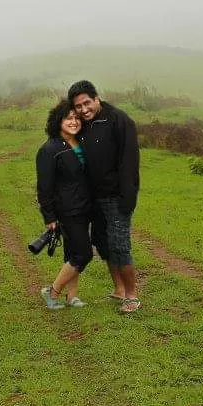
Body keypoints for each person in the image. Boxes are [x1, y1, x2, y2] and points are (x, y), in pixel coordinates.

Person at [68, 80, 142, 313]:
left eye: (87, 103)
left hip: (116, 196)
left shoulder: (119, 120)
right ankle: (118, 289)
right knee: (102, 243)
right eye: (78, 106)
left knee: (120, 244)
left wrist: (128, 195)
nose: (83, 109)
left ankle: (132, 296)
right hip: (92, 197)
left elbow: (129, 160)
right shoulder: (82, 124)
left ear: (96, 98)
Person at [35, 101, 93, 309]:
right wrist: (49, 216)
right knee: (83, 254)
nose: (74, 122)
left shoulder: (81, 143)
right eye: (68, 118)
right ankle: (52, 291)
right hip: (67, 209)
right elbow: (44, 187)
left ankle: (72, 296)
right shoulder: (49, 150)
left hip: (85, 206)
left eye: (77, 118)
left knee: (72, 252)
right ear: (58, 121)